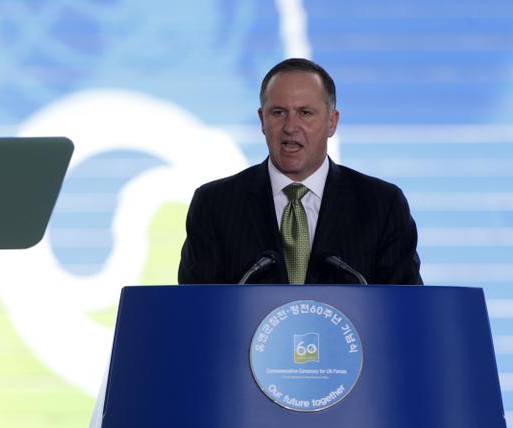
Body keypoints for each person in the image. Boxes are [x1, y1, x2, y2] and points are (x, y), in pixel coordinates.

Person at [178, 58, 422, 285]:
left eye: (305, 113)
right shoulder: (215, 204)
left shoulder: (381, 204)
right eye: (278, 113)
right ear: (262, 120)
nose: (291, 127)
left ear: (332, 122)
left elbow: (405, 308)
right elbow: (196, 309)